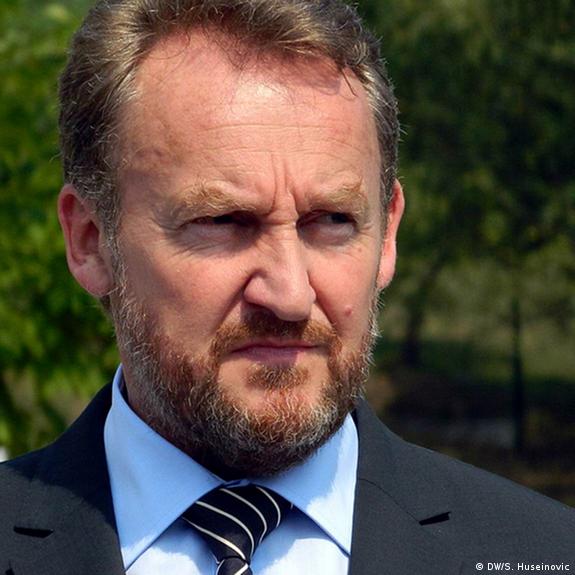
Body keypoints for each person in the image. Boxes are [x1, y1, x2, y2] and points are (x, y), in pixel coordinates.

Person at [0, 0, 573, 573]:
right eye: (223, 221)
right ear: (90, 241)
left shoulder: (545, 554)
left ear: (387, 234)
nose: (290, 296)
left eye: (333, 221)